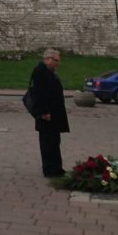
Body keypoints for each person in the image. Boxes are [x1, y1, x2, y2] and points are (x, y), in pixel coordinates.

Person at [30, 47, 69, 177]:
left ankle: (57, 167)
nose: (58, 64)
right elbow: (39, 94)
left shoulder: (49, 72)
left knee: (54, 141)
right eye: (56, 61)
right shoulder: (40, 72)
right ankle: (50, 169)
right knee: (47, 142)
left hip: (54, 115)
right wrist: (44, 112)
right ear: (47, 59)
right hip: (46, 116)